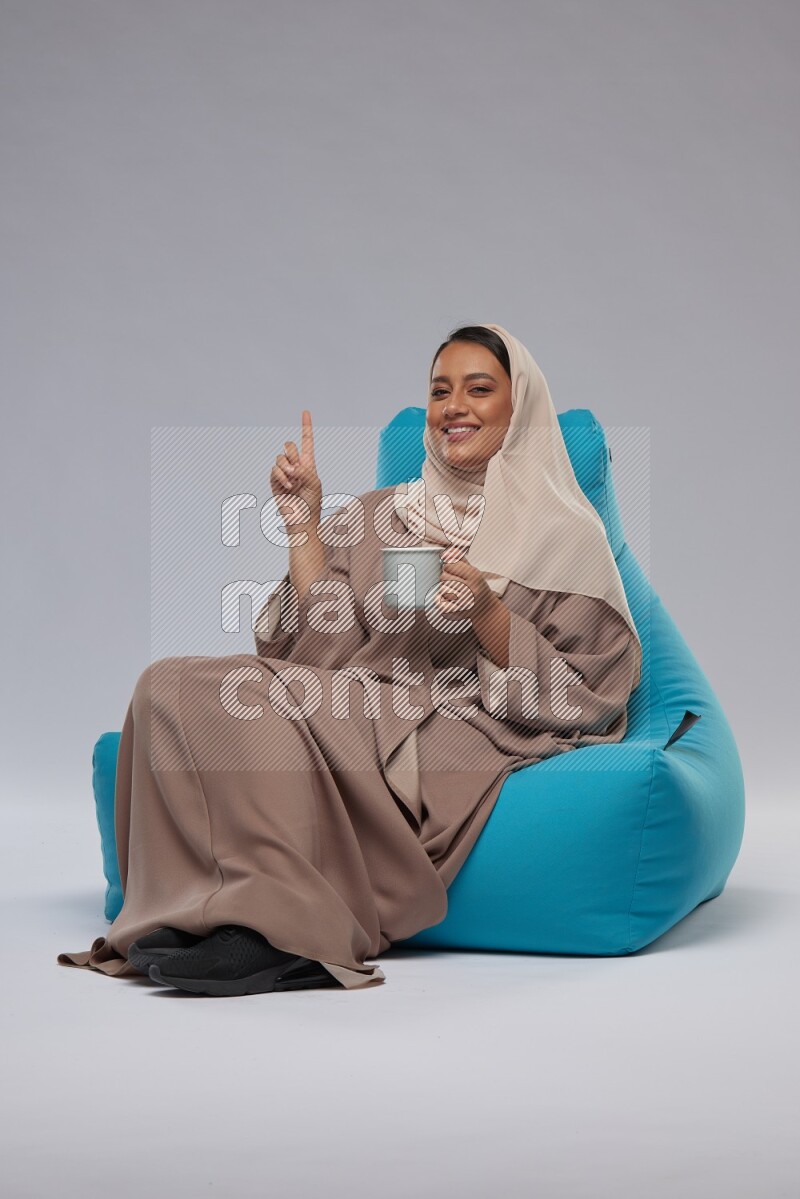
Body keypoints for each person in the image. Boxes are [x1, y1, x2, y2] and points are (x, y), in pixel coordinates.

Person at [57, 323, 642, 997]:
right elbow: (316, 651)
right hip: (358, 699)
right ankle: (192, 908)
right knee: (169, 686)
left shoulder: (561, 533)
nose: (455, 406)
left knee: (258, 702)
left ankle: (283, 933)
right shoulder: (381, 515)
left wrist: (486, 612)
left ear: (521, 407)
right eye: (440, 390)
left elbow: (592, 692)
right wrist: (305, 524)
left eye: (479, 389)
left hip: (458, 722)